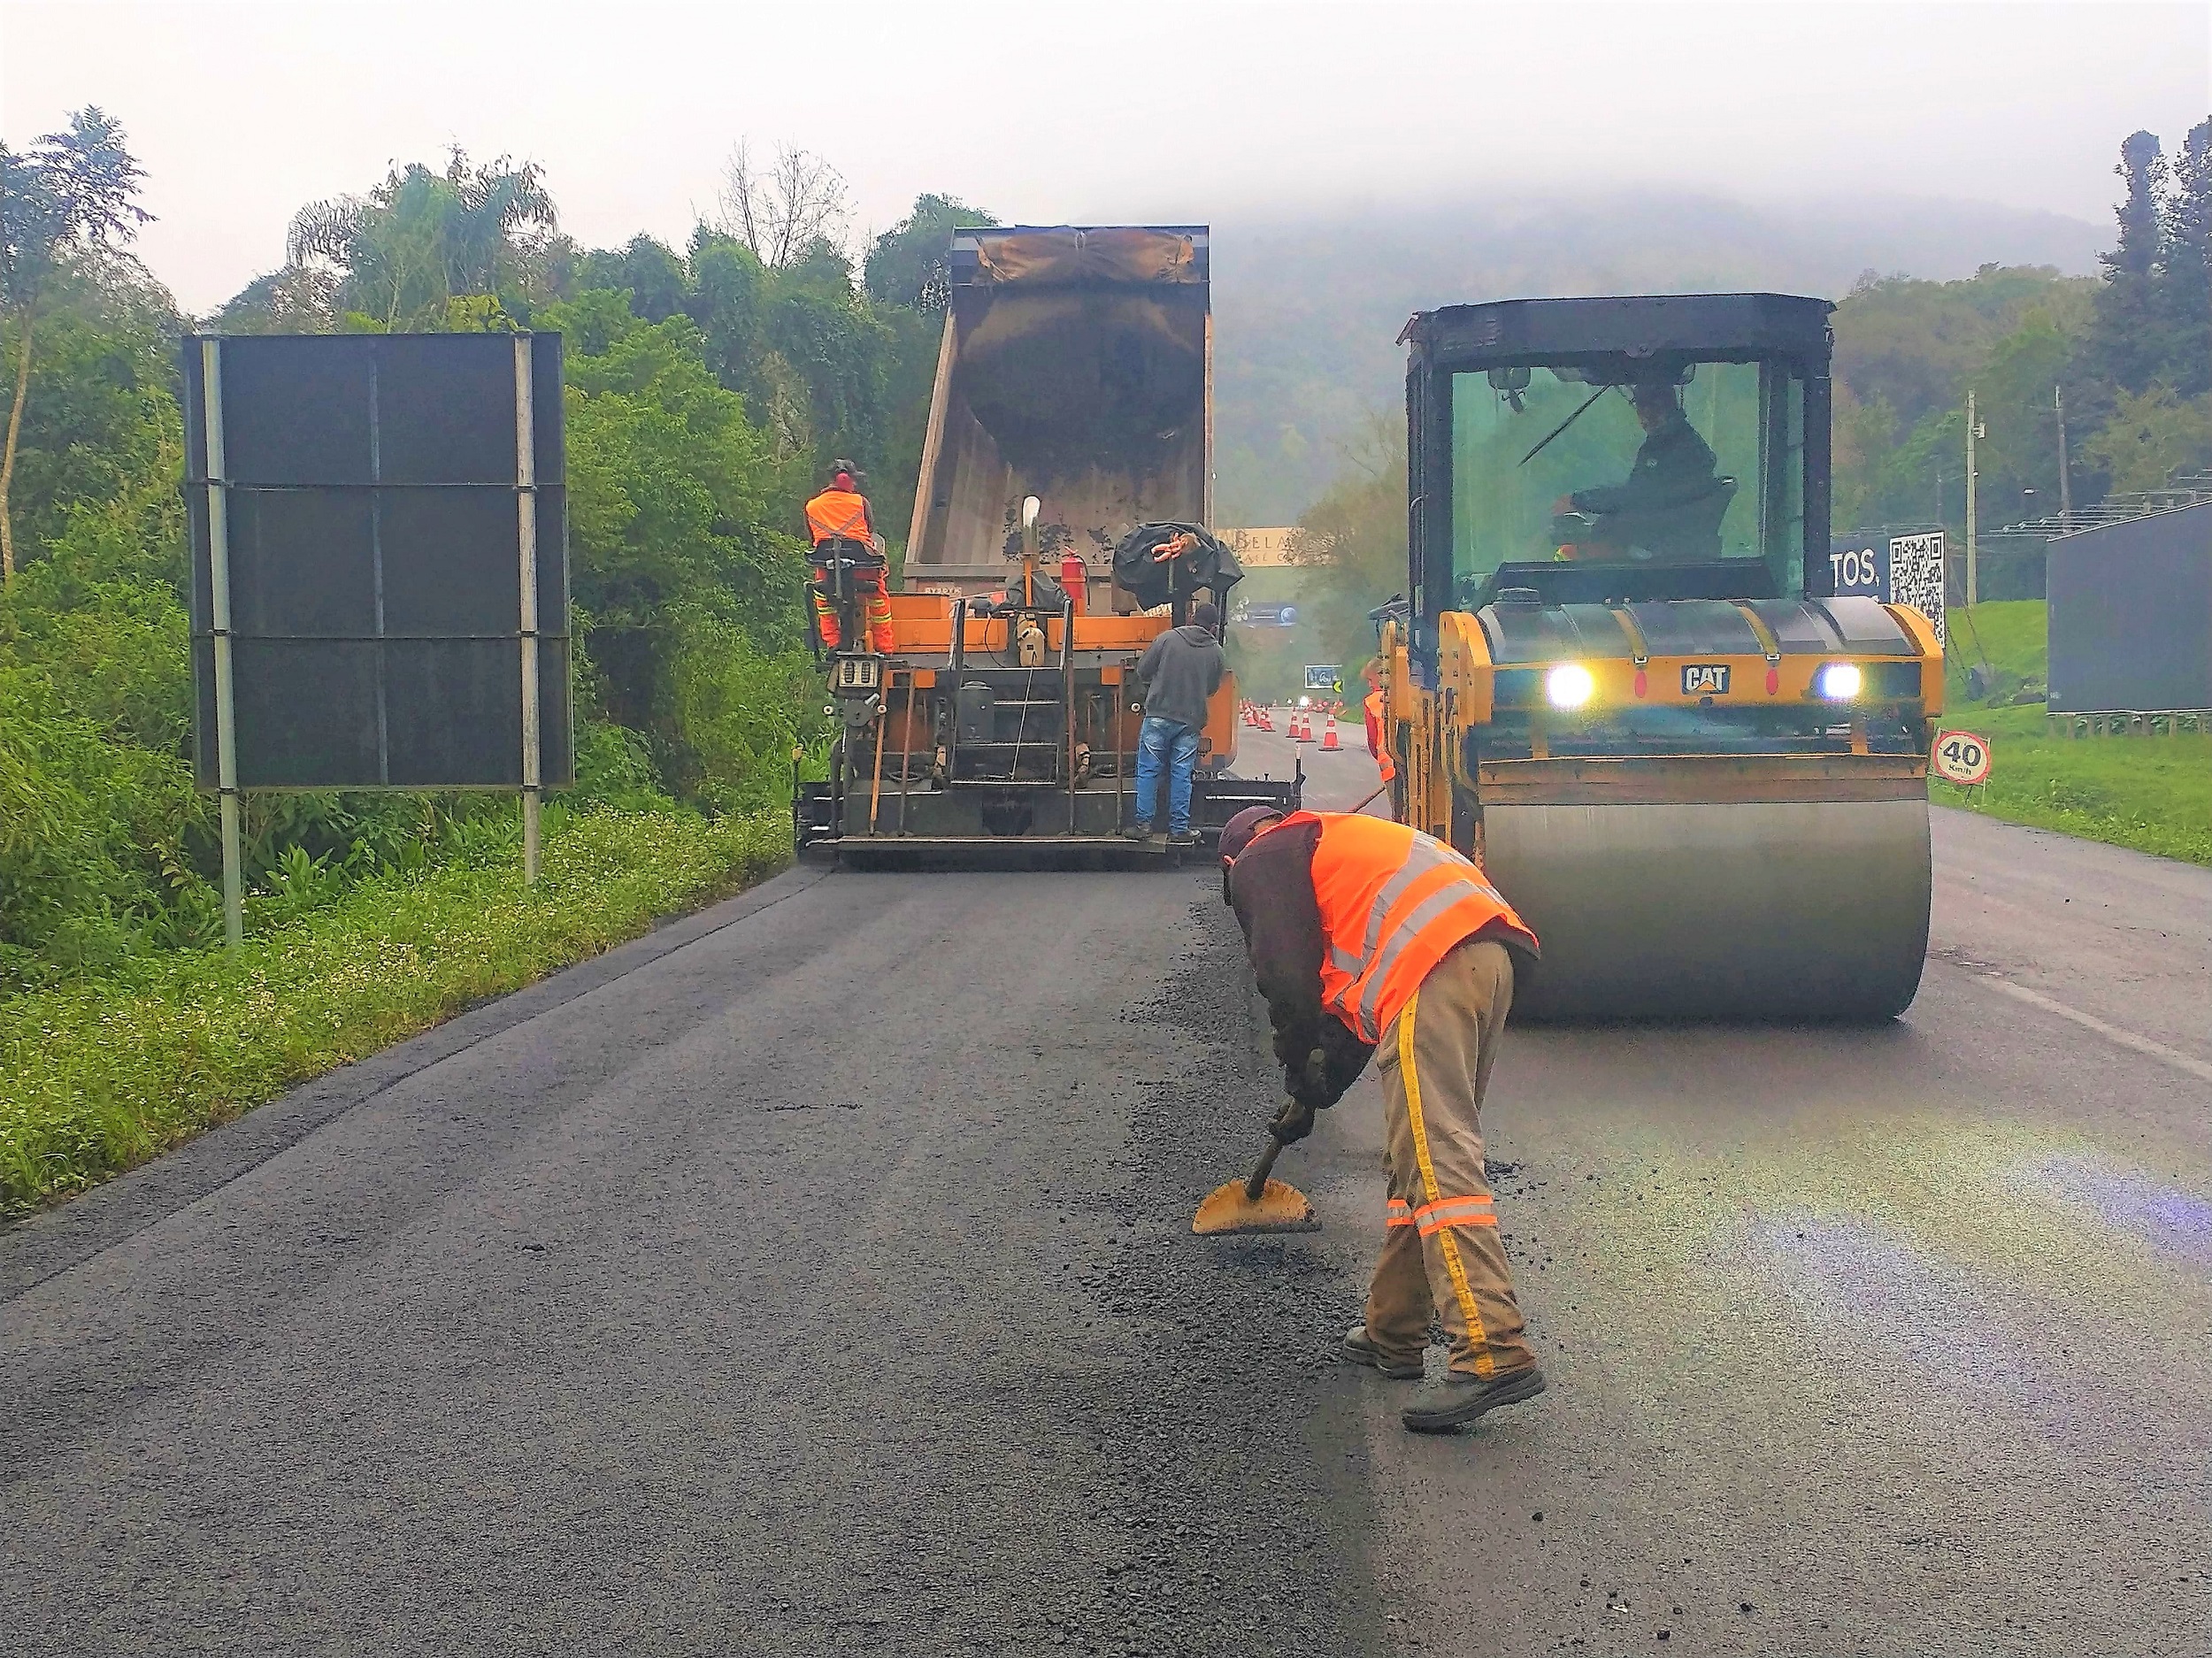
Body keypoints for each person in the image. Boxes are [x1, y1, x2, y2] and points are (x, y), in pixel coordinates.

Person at [1217, 805, 1545, 1432]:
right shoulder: (1331, 849)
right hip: (1485, 957)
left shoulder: (1261, 859)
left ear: (1234, 859)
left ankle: (1492, 1349)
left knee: (1437, 1160)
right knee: (1411, 1155)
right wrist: (1314, 1094)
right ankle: (1393, 1330)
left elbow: (1287, 981)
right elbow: (1347, 1015)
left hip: (1436, 967)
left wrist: (1294, 1068)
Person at [1557, 380, 1723, 560]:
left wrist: (1580, 501)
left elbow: (1639, 497)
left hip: (1664, 556)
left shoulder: (1681, 450)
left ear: (1670, 405)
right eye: (1641, 408)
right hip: (1660, 549)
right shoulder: (1666, 444)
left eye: (1654, 407)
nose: (1646, 417)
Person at [1125, 600, 1225, 848]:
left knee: (1149, 769)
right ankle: (1179, 828)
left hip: (1158, 715)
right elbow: (1212, 688)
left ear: (1191, 618)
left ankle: (1143, 825)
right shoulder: (1216, 652)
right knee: (1182, 773)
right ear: (1213, 627)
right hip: (1189, 721)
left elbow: (1143, 670)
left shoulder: (1167, 639)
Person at [804, 461, 894, 654]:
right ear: (849, 481)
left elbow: (813, 538)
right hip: (863, 572)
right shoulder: (861, 502)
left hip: (827, 573)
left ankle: (833, 642)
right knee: (878, 598)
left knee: (823, 601)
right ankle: (884, 647)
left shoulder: (811, 506)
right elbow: (869, 530)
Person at [1361, 659, 1399, 817]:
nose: (1370, 685)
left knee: (1399, 813)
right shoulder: (1404, 693)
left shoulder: (1372, 701)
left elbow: (1372, 740)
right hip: (1408, 764)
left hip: (1389, 766)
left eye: (1370, 680)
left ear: (1381, 675)